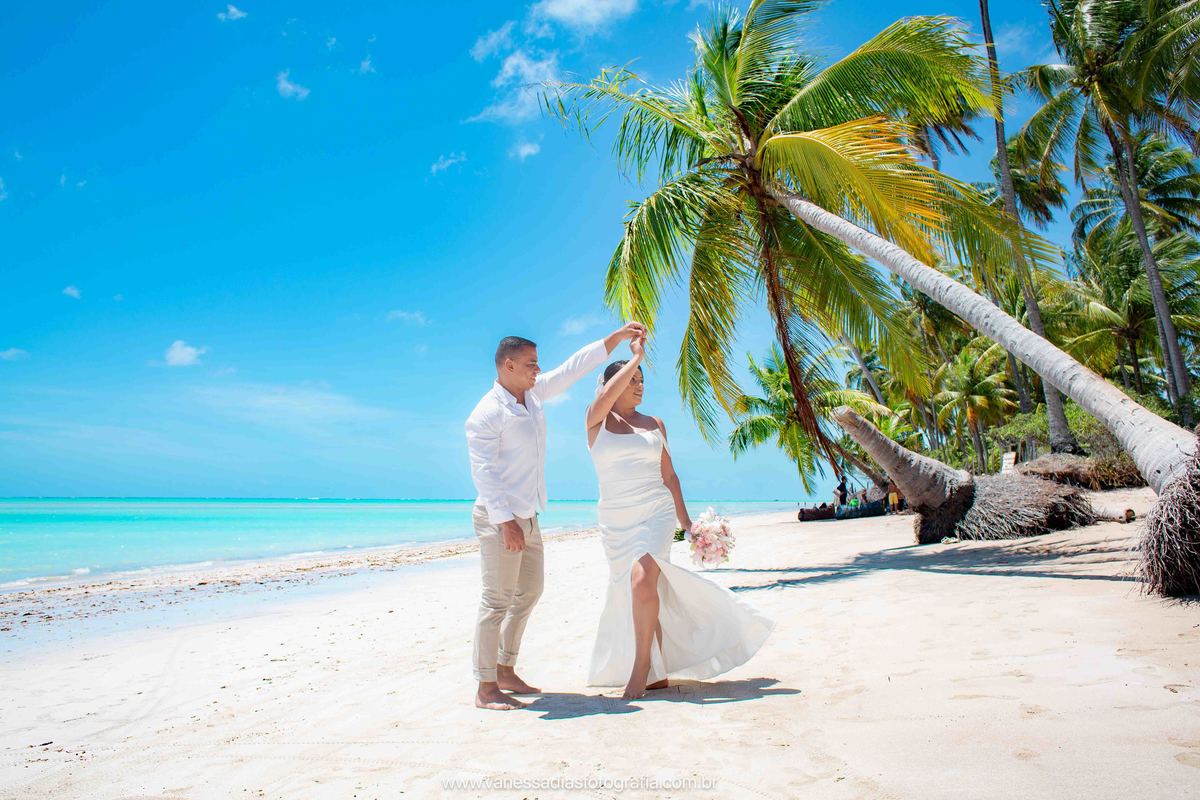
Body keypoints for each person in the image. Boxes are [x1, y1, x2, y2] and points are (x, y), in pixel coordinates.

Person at [465, 322, 647, 711]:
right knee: (496, 601)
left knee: (530, 592)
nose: (538, 369)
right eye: (531, 364)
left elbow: (571, 369)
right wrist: (506, 522)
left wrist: (612, 341)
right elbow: (484, 474)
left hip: (528, 515)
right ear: (508, 365)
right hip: (501, 520)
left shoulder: (533, 396)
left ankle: (504, 668)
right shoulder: (484, 414)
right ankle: (485, 687)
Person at [584, 336, 773, 699]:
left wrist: (688, 526)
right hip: (616, 518)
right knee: (639, 590)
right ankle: (656, 670)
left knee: (642, 581)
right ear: (614, 385)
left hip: (655, 512)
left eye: (642, 380)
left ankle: (640, 671)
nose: (639, 386)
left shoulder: (655, 424)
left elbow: (669, 477)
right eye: (632, 380)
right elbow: (602, 401)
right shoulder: (596, 423)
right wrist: (634, 357)